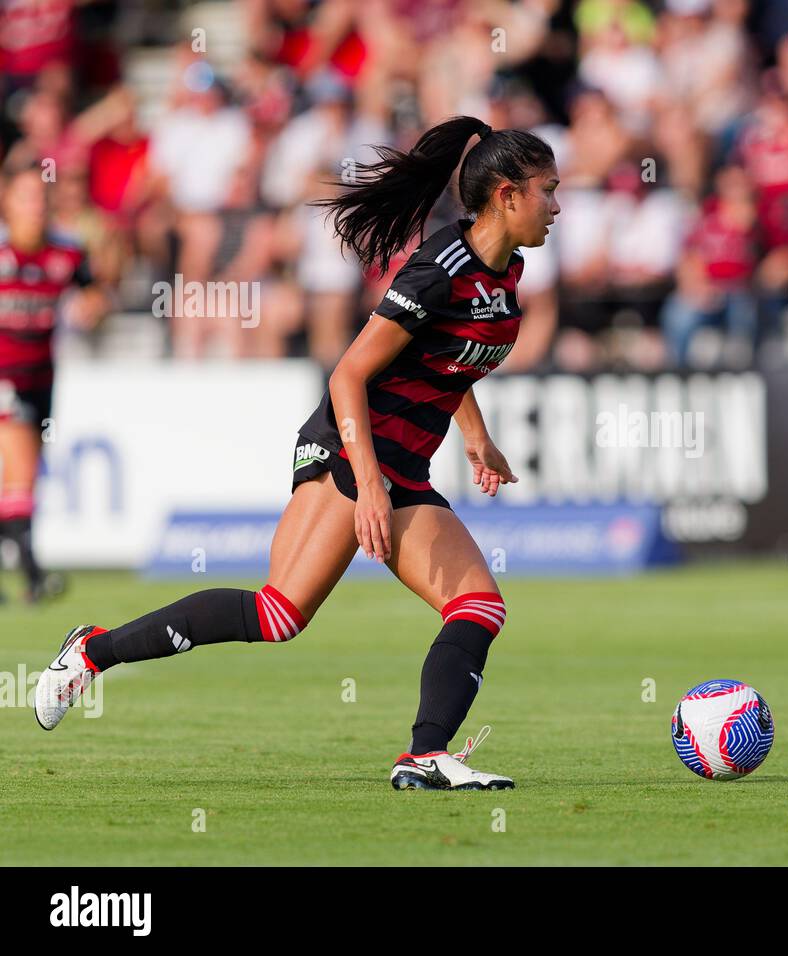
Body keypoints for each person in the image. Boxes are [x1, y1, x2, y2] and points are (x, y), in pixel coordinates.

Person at [34, 116, 562, 794]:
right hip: (351, 447)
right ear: (508, 196)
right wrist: (369, 485)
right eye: (549, 190)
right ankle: (92, 652)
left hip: (400, 465)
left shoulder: (506, 271)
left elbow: (442, 357)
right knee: (279, 614)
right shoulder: (439, 270)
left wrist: (474, 433)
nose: (557, 207)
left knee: (479, 606)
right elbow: (347, 374)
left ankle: (424, 755)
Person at [0, 164, 107, 603]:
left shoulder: (66, 254)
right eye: (26, 198)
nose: (35, 207)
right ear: (8, 203)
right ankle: (32, 572)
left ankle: (27, 573)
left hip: (42, 378)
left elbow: (96, 291)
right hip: (5, 379)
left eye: (41, 199)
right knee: (21, 472)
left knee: (20, 481)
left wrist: (92, 307)